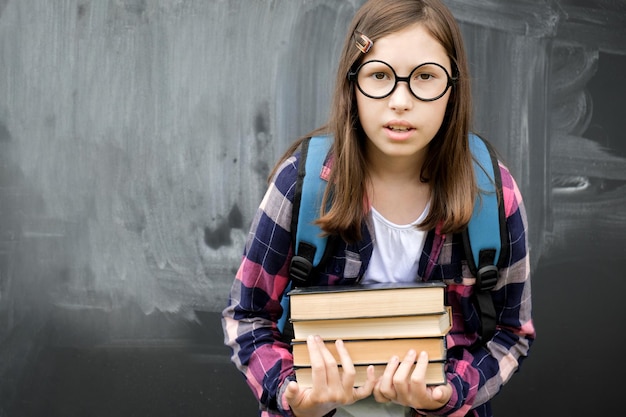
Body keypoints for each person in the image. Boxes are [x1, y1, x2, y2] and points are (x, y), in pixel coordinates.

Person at [222, 0, 535, 416]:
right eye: (379, 76)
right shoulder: (301, 185)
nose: (400, 101)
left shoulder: (492, 192)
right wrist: (294, 396)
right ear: (353, 84)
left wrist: (451, 392)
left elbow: (512, 332)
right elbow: (247, 316)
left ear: (453, 88)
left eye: (425, 77)